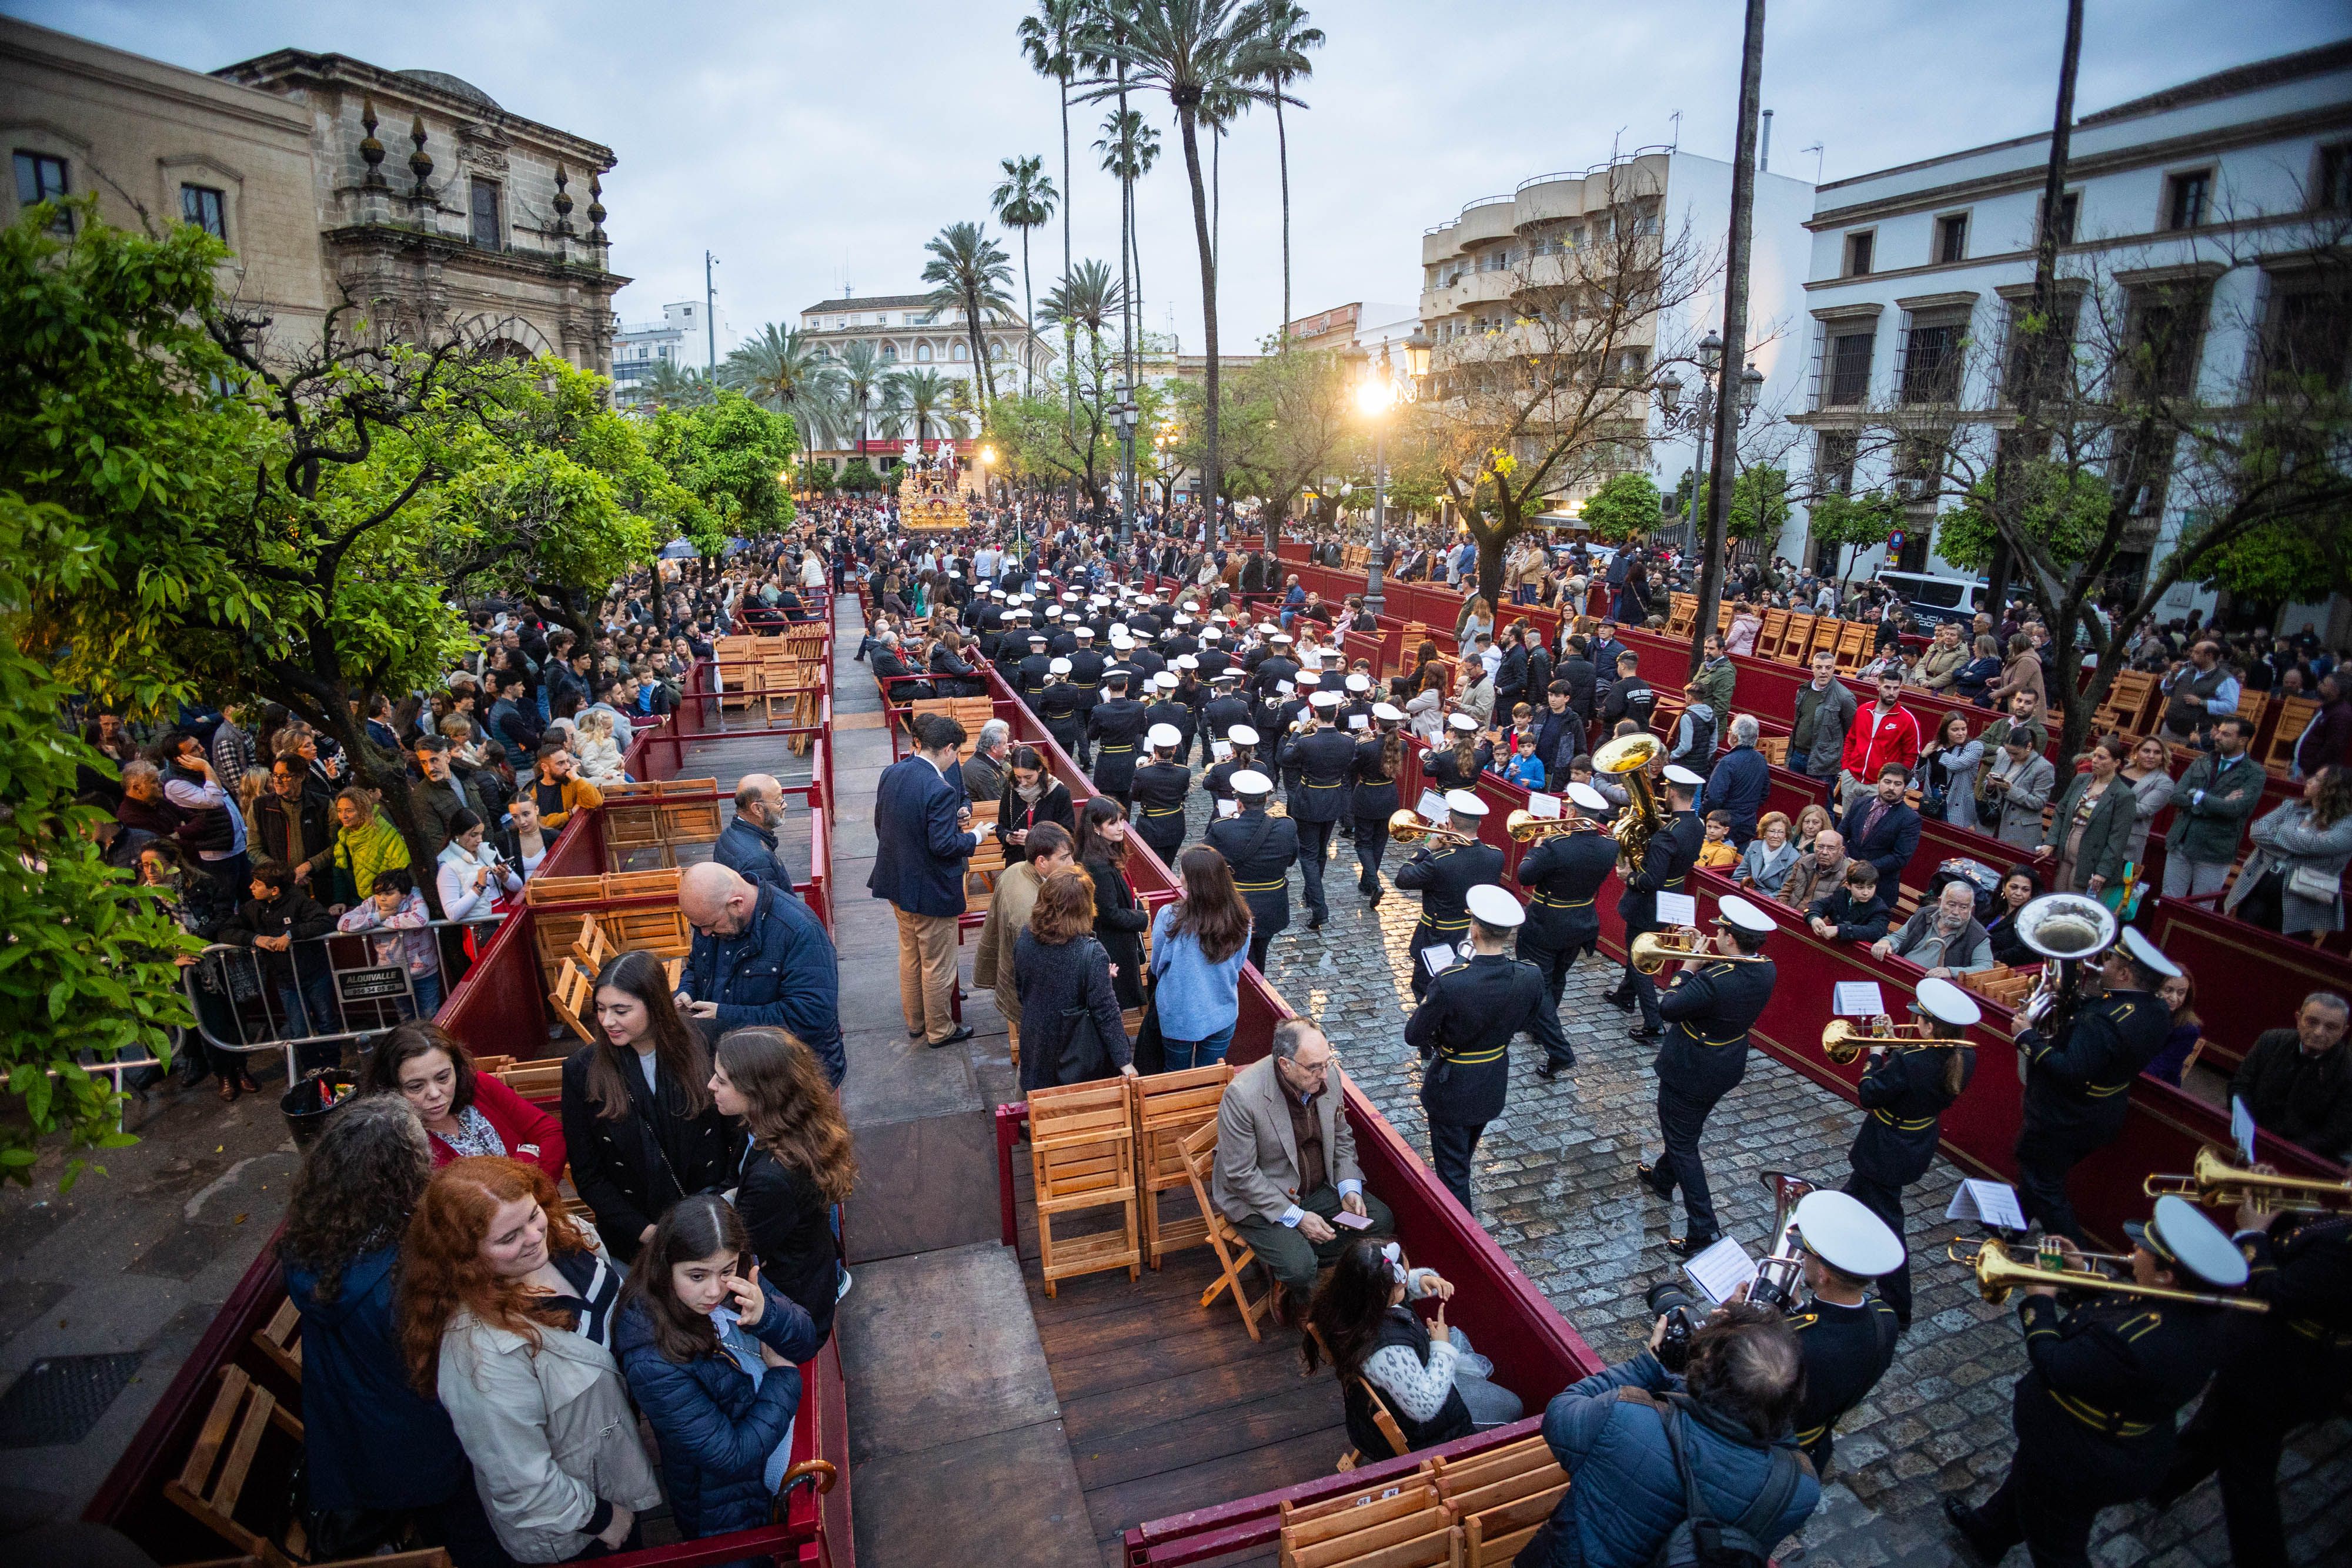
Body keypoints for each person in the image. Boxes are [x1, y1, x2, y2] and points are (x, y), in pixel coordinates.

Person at [1944, 1198, 2246, 1568]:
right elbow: (2126, 1302)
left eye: (2145, 1251)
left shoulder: (2141, 1342)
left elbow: (2055, 1364)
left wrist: (2041, 1300)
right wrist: (2083, 1270)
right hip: (2099, 1441)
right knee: (2031, 1479)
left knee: (2057, 1544)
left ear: (2168, 1275)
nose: (2134, 1251)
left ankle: (1993, 1532)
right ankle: (1989, 1532)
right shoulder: (2192, 1305)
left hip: (2084, 1456)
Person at [400, 1157, 660, 1563]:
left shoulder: (567, 1238)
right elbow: (519, 1478)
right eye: (508, 1237)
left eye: (533, 1214)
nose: (534, 1236)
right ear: (465, 1255)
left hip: (615, 1465)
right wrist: (603, 1518)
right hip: (580, 1525)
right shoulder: (481, 1354)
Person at [279, 1095, 502, 1565]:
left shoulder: (314, 1240)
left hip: (357, 1439)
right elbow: (460, 1368)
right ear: (402, 1172)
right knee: (477, 1542)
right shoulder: (402, 1277)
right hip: (431, 1447)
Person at [1521, 1302, 1818, 1568]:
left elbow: (1561, 1411)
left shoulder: (1625, 1416)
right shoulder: (1799, 1489)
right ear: (1794, 1397)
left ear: (1703, 1370)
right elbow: (1780, 1439)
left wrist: (1650, 1363)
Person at [2151, 1188, 2352, 1566]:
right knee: (2214, 1425)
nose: (2347, 1173)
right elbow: (2308, 1253)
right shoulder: (2344, 1223)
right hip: (2276, 1361)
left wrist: (2253, 1232)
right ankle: (2162, 1484)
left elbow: (2275, 1292)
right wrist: (2278, 1212)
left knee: (2247, 1475)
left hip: (2281, 1369)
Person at [613, 1195, 823, 1550]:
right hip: (724, 1508)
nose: (715, 1290)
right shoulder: (650, 1357)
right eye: (697, 1275)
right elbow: (730, 1457)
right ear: (666, 1266)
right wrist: (784, 1377)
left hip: (766, 1459)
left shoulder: (740, 1279)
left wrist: (767, 1316)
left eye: (726, 1270)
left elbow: (806, 1340)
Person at [562, 949, 744, 1266]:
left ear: (655, 1005)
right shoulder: (581, 1070)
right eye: (601, 1009)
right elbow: (588, 1173)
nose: (607, 1021)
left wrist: (722, 1202)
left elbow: (740, 1131)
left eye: (621, 1010)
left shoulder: (708, 1041)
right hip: (637, 1239)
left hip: (714, 1219)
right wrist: (648, 1233)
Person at [1211, 1018, 1394, 1325]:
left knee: (1380, 1220)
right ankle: (1295, 1273)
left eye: (1327, 1063)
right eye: (1314, 1068)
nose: (1324, 1075)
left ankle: (1297, 1257)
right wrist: (1298, 1218)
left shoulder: (1328, 1076)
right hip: (1260, 1200)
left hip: (1317, 1190)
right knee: (1300, 1267)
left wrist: (1349, 1187)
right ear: (1284, 1064)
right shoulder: (1243, 1095)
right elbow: (1240, 1175)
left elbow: (1342, 1136)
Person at [1406, 885, 1575, 1213]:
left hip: (1453, 1085)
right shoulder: (1529, 976)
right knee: (1462, 1155)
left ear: (1474, 928)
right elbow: (1535, 1020)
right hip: (1492, 1078)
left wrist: (1455, 967)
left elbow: (1414, 1034)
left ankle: (1460, 1238)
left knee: (1454, 1174)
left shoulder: (1451, 980)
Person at [2013, 927, 2180, 1243]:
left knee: (2045, 1184)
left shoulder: (2103, 1020)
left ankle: (2079, 1263)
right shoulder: (2156, 1009)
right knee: (2040, 1176)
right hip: (2102, 1112)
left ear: (2125, 973)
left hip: (2065, 1117)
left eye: (2112, 962)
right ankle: (2009, 1227)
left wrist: (2027, 1038)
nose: (2103, 967)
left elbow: (2069, 1070)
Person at [1638, 897, 1780, 1256]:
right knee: (1686, 1129)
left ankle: (1703, 1227)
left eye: (1719, 931)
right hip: (1725, 1062)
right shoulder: (1765, 967)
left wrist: (1687, 968)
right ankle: (1662, 1177)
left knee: (1684, 1143)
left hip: (1691, 1066)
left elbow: (1668, 1007)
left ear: (1731, 939)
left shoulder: (1716, 979)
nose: (1715, 933)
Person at [1301, 1238, 1522, 1460]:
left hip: (1375, 1409)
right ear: (1382, 1295)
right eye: (1404, 1282)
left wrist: (1421, 1279)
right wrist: (1442, 1346)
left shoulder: (1343, 1297)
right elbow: (1425, 1408)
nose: (1408, 1281)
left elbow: (1390, 1287)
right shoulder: (1387, 1352)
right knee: (1512, 1407)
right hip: (1421, 1431)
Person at [1842, 977, 1981, 1327]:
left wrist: (1875, 1056)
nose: (1915, 1021)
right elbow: (1914, 1081)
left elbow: (1870, 1094)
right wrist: (1894, 1048)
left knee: (1889, 1226)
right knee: (1850, 1200)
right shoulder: (1965, 1054)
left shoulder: (1912, 1059)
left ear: (1931, 1026)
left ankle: (1898, 1307)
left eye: (1920, 1018)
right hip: (1915, 1141)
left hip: (1886, 1148)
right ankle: (1824, 1252)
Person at [868, 713, 986, 1050]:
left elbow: (882, 825)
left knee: (910, 956)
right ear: (948, 749)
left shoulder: (892, 772)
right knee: (937, 964)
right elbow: (944, 845)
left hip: (897, 881)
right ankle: (940, 1030)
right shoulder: (939, 788)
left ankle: (917, 1023)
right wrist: (975, 837)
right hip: (932, 889)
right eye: (957, 752)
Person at [677, 862, 843, 1086]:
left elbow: (811, 1016)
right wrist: (686, 990)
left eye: (710, 925)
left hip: (790, 1079)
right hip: (737, 1072)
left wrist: (724, 1016)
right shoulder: (711, 920)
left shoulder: (800, 931)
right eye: (698, 927)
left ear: (737, 904)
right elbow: (697, 967)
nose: (705, 933)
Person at [1776, 1190, 1905, 1476]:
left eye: (1806, 1253)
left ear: (1823, 1274)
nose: (1801, 1258)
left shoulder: (1792, 1344)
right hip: (1818, 1443)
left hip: (1775, 1451)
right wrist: (1799, 1306)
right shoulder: (1884, 1316)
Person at [367, 1019, 566, 1178]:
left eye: (443, 1077)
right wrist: (527, 1158)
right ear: (392, 1089)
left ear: (457, 1069)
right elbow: (463, 1210)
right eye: (416, 1086)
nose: (435, 1093)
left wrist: (533, 1195)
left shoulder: (479, 1086)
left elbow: (551, 1132)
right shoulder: (397, 1142)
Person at [1014, 867, 1137, 1091]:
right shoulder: (1091, 952)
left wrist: (1093, 978)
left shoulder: (1026, 937)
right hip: (1074, 1053)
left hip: (1037, 1042)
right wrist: (1125, 1062)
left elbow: (1024, 988)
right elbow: (1106, 1012)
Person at [1609, 768, 1706, 1039]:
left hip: (1649, 903)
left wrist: (1629, 877)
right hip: (1672, 895)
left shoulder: (1668, 834)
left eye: (1666, 789)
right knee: (1635, 948)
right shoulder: (1696, 826)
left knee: (1640, 959)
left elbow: (1650, 880)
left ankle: (1653, 1024)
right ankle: (1625, 996)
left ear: (1672, 792)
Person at [972, 821, 1075, 1066]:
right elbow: (1039, 973)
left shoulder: (1016, 870)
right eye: (1065, 858)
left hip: (1013, 983)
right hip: (1031, 1002)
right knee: (1037, 1062)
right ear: (1041, 861)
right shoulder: (1029, 914)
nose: (1072, 865)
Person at [1512, 782, 1618, 1014]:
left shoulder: (1554, 846)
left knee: (1540, 978)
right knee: (1559, 976)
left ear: (1571, 812)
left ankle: (1544, 1027)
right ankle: (1544, 1023)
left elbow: (1525, 876)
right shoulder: (1610, 846)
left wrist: (1537, 848)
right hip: (1581, 922)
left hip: (1546, 923)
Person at [1396, 790, 1506, 1002]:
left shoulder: (1440, 861)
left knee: (1425, 988)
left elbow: (1403, 879)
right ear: (1479, 825)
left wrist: (1427, 849)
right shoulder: (1496, 855)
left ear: (1450, 824)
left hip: (1438, 936)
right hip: (1474, 935)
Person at [1148, 845, 1253, 1070]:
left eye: (1183, 871)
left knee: (1176, 1077)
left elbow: (1157, 965)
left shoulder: (1170, 917)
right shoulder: (1241, 917)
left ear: (1193, 881)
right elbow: (1239, 963)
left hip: (1179, 1012)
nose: (1179, 876)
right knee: (1211, 1077)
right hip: (1221, 1008)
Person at [221, 857, 341, 1052]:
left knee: (326, 1021)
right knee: (298, 1028)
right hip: (285, 981)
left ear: (274, 890)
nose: (251, 887)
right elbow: (226, 930)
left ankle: (331, 1063)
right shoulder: (252, 907)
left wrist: (291, 935)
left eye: (257, 884)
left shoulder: (299, 901)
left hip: (315, 975)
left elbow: (325, 921)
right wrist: (255, 939)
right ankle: (310, 1066)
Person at [2226, 764, 2352, 935]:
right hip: (2261, 884)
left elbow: (2318, 845)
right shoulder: (2291, 807)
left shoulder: (2347, 824)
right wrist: (2301, 845)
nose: (2309, 781)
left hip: (2302, 901)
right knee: (2241, 939)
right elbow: (2257, 831)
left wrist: (2278, 835)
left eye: (2317, 780)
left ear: (2333, 789)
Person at [2227, 992, 2352, 1160]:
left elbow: (2337, 1132)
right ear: (2298, 1019)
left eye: (2331, 1027)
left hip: (2302, 1156)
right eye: (2312, 1022)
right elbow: (2240, 1087)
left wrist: (2283, 1153)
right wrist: (2248, 1131)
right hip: (2247, 1135)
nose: (2318, 1032)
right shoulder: (2270, 1041)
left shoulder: (2348, 1069)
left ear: (2344, 1031)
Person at [1204, 768, 1300, 974]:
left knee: (1239, 958)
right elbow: (1292, 861)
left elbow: (1204, 860)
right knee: (1260, 955)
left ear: (1238, 802)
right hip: (1272, 903)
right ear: (1265, 799)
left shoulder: (1223, 828)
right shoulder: (1287, 827)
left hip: (1236, 903)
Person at [2162, 715, 2263, 899]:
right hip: (2181, 841)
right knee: (2169, 899)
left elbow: (2235, 809)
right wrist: (2220, 802)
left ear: (2243, 740)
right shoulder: (2201, 762)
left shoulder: (2254, 773)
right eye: (2218, 732)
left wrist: (2197, 795)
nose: (2216, 737)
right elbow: (2176, 797)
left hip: (2214, 851)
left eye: (2226, 734)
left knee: (2202, 907)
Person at [339, 866, 443, 1019]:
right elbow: (343, 923)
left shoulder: (414, 895)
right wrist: (379, 916)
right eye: (378, 893)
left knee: (430, 1016)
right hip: (394, 974)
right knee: (406, 1017)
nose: (382, 898)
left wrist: (384, 921)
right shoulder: (372, 904)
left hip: (424, 972)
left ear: (403, 894)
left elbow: (420, 919)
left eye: (388, 894)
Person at [1075, 796, 1149, 1010]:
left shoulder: (1099, 853)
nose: (1120, 828)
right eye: (1113, 823)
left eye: (1121, 821)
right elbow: (1109, 913)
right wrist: (1141, 917)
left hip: (1112, 942)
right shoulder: (1097, 865)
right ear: (1096, 828)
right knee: (1113, 1004)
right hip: (1112, 945)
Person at [2037, 740, 2137, 896]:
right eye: (2094, 756)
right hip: (2065, 846)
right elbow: (2061, 811)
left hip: (2091, 855)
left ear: (2116, 763)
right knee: (2055, 894)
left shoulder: (2124, 795)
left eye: (2102, 758)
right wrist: (2051, 841)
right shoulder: (2081, 780)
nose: (2095, 761)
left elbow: (2118, 838)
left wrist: (2103, 872)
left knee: (2075, 900)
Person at [1871, 878, 1993, 975]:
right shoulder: (1924, 914)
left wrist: (1951, 971)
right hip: (1902, 973)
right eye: (1951, 904)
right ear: (1940, 902)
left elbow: (1985, 968)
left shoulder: (1978, 936)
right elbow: (1898, 938)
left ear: (1971, 909)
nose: (1956, 912)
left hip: (1938, 990)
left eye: (1963, 907)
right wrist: (1886, 942)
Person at [436, 808, 522, 940]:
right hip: (481, 930)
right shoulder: (448, 866)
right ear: (457, 836)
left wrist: (505, 877)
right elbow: (452, 914)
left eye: (481, 834)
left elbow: (518, 886)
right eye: (473, 835)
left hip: (504, 916)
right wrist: (479, 888)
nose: (480, 840)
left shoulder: (488, 849)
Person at [1837, 762, 1923, 892]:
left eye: (1897, 784)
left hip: (1878, 885)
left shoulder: (1911, 819)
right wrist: (1847, 860)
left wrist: (1863, 868)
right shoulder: (1860, 803)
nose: (1891, 788)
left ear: (1905, 787)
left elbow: (1900, 858)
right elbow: (1841, 834)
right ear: (1878, 782)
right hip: (1845, 876)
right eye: (1887, 782)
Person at [713, 773, 798, 898]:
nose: (785, 805)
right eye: (779, 801)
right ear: (757, 809)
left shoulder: (727, 835)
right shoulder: (758, 861)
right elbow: (772, 909)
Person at [1792, 647, 1858, 803]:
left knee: (1822, 807)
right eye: (1819, 667)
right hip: (1797, 756)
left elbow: (1851, 733)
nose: (1823, 672)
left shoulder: (1845, 697)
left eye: (1828, 668)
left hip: (1824, 762)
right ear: (1812, 668)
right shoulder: (1804, 690)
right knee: (1795, 802)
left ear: (1834, 669)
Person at [995, 744, 1078, 867]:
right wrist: (1007, 837)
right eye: (1018, 777)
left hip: (1049, 861)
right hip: (1017, 860)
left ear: (1039, 769)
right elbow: (1002, 826)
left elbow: (1067, 833)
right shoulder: (1011, 789)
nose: (1023, 783)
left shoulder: (1060, 793)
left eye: (1028, 777)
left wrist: (1032, 839)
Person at [330, 786, 410, 911]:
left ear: (363, 811)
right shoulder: (343, 838)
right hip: (358, 904)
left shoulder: (386, 833)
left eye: (349, 811)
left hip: (387, 905)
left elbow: (401, 869)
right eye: (339, 811)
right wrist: (340, 901)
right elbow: (339, 872)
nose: (343, 816)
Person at [1979, 727, 2059, 851]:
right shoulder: (2003, 756)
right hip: (1992, 824)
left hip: (2019, 833)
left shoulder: (2044, 768)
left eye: (2015, 753)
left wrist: (2011, 790)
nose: (2010, 756)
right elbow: (1986, 786)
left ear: (2029, 747)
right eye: (2008, 751)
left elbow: (2039, 802)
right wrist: (1990, 785)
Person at [1131, 723, 1193, 866]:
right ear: (1175, 750)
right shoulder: (1184, 772)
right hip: (1175, 825)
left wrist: (1143, 769)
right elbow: (1183, 793)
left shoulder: (1143, 773)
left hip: (1150, 826)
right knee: (1168, 865)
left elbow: (1134, 797)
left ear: (1154, 750)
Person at [1709, 715, 1770, 848]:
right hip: (1747, 825)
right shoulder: (1761, 760)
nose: (1728, 733)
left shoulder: (1727, 762)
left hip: (1724, 828)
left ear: (1735, 738)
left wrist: (1706, 818)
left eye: (1729, 731)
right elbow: (1765, 793)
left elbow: (1714, 797)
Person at [1917, 712, 1984, 830]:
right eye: (1955, 730)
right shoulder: (1934, 746)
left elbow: (1955, 765)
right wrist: (1923, 756)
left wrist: (1940, 752)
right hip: (1932, 798)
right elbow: (1919, 777)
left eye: (1964, 729)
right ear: (1945, 731)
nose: (1961, 733)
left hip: (1956, 802)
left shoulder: (1974, 747)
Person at [2143, 966, 2203, 1086]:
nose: (2174, 998)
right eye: (2168, 990)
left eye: (2181, 993)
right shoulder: (2140, 1009)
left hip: (2156, 1087)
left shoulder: (2188, 1030)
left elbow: (2157, 1069)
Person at [1986, 864, 2046, 967]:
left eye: (2025, 890)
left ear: (2031, 893)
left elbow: (2019, 954)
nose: (2018, 893)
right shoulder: (1994, 909)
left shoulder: (2032, 921)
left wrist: (1982, 957)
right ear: (2004, 887)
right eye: (2014, 887)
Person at [1732, 811, 1799, 899]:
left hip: (1768, 900)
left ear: (1786, 834)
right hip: (1746, 893)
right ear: (1764, 832)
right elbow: (1739, 876)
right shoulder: (1754, 846)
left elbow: (1784, 892)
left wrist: (1760, 900)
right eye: (1772, 831)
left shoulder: (1794, 858)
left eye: (1781, 832)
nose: (1776, 836)